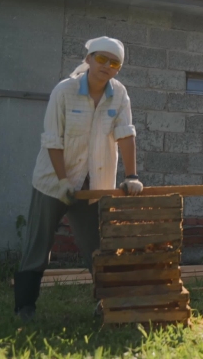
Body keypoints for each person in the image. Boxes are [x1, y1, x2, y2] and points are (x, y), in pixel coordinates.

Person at [13, 36, 144, 321]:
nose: (107, 66)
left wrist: (132, 176)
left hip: (93, 185)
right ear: (88, 59)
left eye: (114, 63)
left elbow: (126, 133)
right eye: (101, 59)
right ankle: (25, 307)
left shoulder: (119, 95)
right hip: (52, 182)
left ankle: (107, 306)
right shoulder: (64, 91)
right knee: (38, 244)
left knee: (97, 248)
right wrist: (62, 182)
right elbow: (52, 139)